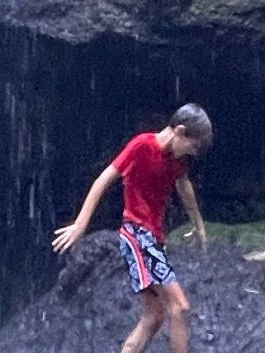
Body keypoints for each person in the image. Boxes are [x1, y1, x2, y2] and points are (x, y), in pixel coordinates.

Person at [51, 105, 213, 353]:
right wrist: (81, 224)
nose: (191, 154)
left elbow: (184, 185)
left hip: (153, 239)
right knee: (180, 307)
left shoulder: (176, 161)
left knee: (154, 317)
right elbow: (105, 178)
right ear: (179, 131)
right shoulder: (142, 145)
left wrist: (198, 224)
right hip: (137, 234)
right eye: (192, 146)